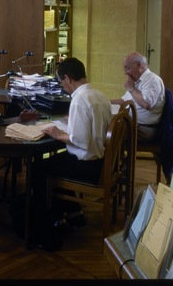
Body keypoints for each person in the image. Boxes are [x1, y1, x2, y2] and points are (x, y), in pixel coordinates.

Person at [35, 57, 112, 223]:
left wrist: (56, 134)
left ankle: (49, 219)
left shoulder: (79, 100)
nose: (62, 86)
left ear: (67, 78)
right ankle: (72, 212)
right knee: (59, 161)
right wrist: (73, 121)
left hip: (86, 168)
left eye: (60, 81)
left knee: (39, 166)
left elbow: (79, 140)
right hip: (100, 161)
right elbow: (94, 126)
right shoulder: (99, 95)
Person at [110, 52, 165, 141]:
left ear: (139, 65)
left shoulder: (152, 80)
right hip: (133, 125)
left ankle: (110, 155)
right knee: (104, 125)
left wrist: (131, 88)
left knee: (109, 132)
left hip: (144, 129)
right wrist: (106, 102)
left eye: (127, 68)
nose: (125, 73)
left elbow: (147, 104)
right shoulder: (136, 81)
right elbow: (124, 101)